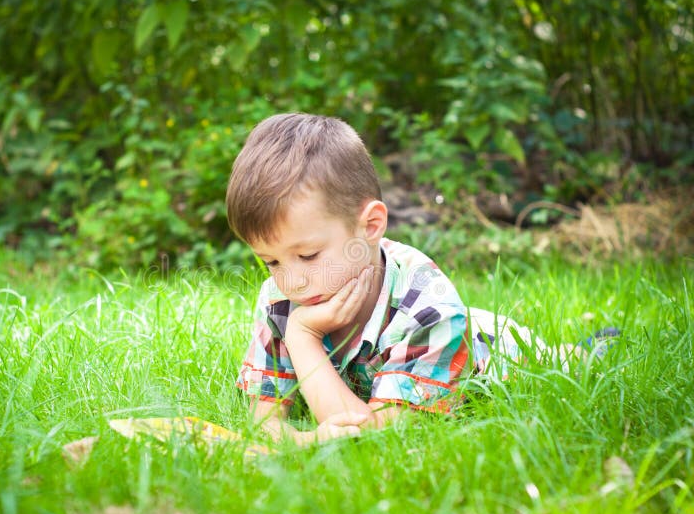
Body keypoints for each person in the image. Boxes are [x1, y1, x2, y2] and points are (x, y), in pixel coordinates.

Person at [225, 113, 606, 446]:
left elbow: (376, 438)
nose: (292, 282)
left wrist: (303, 338)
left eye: (308, 256)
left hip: (493, 348)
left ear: (370, 226)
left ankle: (585, 351)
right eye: (271, 261)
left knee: (559, 363)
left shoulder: (430, 309)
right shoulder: (280, 298)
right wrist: (303, 439)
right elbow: (264, 423)